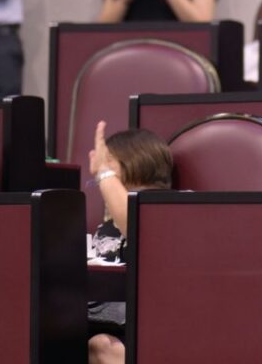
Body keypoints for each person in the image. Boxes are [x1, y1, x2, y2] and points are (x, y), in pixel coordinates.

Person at [85, 121, 175, 364]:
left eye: (109, 160)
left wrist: (104, 173)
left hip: (145, 329)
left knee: (103, 347)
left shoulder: (172, 207)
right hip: (96, 322)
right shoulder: (109, 222)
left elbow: (138, 226)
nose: (99, 172)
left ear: (134, 160)